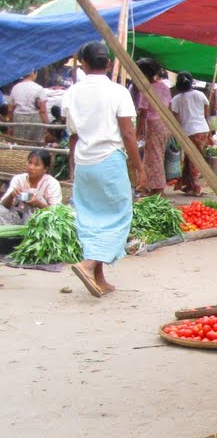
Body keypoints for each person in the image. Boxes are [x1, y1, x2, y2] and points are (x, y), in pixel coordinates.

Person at [64, 41, 143, 297]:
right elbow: (128, 133)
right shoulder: (118, 92)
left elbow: (73, 135)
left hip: (84, 161)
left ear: (83, 64)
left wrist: (72, 168)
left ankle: (99, 278)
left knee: (90, 219)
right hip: (109, 160)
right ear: (108, 63)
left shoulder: (73, 93)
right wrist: (138, 168)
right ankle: (87, 265)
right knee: (119, 217)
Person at [134, 58, 171, 197]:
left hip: (154, 124)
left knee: (153, 157)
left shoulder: (147, 89)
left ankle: (158, 189)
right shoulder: (164, 87)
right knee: (158, 155)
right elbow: (170, 105)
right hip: (165, 124)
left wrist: (137, 133)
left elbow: (143, 113)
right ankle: (151, 186)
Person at [169, 72, 210, 197]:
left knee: (192, 159)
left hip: (189, 131)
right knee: (191, 158)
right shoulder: (200, 94)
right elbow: (206, 112)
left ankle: (195, 187)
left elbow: (175, 118)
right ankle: (189, 185)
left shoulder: (176, 99)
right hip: (203, 130)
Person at [0, 149, 62, 225]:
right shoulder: (19, 179)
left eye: (36, 165)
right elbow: (4, 205)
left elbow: (57, 211)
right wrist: (11, 195)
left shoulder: (52, 183)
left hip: (41, 221)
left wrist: (38, 204)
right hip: (20, 217)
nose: (31, 167)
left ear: (45, 169)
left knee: (32, 192)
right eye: (29, 163)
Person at [9, 70, 48, 143]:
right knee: (35, 144)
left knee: (20, 143)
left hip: (19, 119)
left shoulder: (15, 88)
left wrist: (10, 125)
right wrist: (47, 125)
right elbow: (43, 111)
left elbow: (10, 109)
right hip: (35, 120)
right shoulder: (39, 88)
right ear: (33, 74)